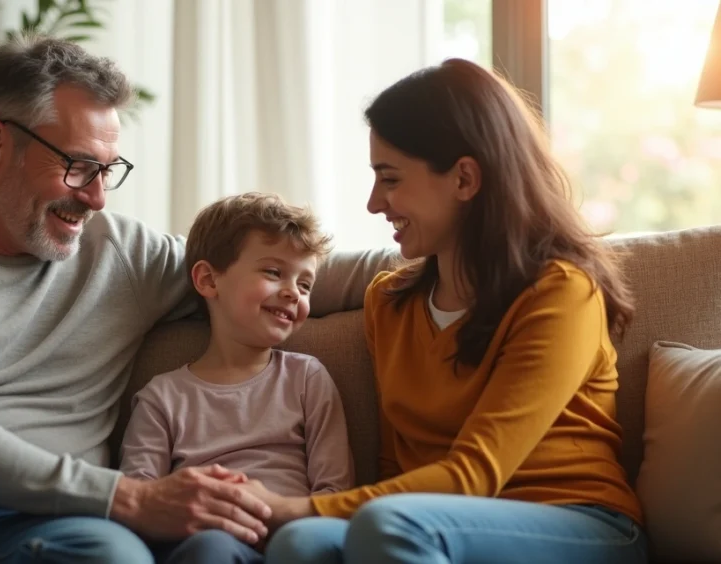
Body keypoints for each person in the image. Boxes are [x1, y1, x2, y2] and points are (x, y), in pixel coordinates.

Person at [0, 35, 397, 564]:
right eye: (77, 166)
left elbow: (273, 271)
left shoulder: (118, 253)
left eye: (108, 169)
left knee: (114, 556)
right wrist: (129, 497)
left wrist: (452, 261)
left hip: (25, 525)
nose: (96, 198)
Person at [241, 58, 649, 564]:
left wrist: (295, 506)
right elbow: (396, 466)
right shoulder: (388, 303)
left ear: (464, 179)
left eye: (389, 179)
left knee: (378, 524)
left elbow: (475, 473)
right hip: (427, 523)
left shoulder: (561, 292)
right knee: (301, 545)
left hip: (583, 525)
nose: (374, 203)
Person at [119, 192, 356, 564]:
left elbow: (335, 492)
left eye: (306, 284)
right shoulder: (162, 397)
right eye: (274, 272)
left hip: (293, 538)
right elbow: (142, 499)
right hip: (209, 541)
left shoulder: (307, 377)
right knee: (210, 549)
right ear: (209, 280)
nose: (293, 291)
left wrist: (281, 515)